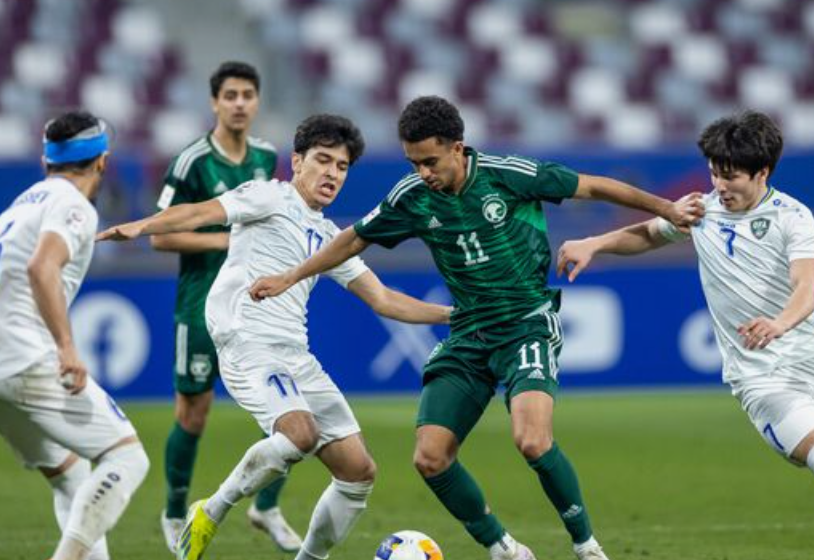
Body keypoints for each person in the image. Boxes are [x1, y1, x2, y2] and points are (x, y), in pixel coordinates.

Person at [249, 96, 705, 560]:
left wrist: (665, 208)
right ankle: (503, 548)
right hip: (469, 333)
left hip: (526, 323)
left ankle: (587, 547)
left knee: (531, 440)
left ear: (457, 148)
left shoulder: (509, 175)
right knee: (429, 457)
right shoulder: (412, 196)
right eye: (414, 162)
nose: (423, 172)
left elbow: (594, 186)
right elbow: (351, 239)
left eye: (430, 161)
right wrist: (292, 275)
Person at [98, 114, 452, 560]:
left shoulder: (329, 236)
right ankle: (211, 509)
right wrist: (141, 226)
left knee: (358, 472)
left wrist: (453, 313)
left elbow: (383, 299)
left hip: (294, 354)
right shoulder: (269, 195)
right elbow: (203, 212)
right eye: (323, 161)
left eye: (341, 167)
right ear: (297, 162)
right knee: (299, 433)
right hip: (246, 341)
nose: (331, 174)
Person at [556, 110, 814, 560]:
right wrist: (594, 243)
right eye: (715, 172)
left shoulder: (794, 219)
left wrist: (778, 323)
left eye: (731, 176)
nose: (720, 185)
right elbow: (648, 235)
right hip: (760, 377)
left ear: (763, 172)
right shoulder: (701, 210)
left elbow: (807, 288)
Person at [151, 60, 299, 553]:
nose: (239, 103)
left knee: (289, 409)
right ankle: (175, 513)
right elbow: (158, 236)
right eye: (230, 95)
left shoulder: (265, 155)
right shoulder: (193, 161)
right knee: (193, 413)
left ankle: (267, 506)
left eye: (247, 95)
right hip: (200, 304)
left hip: (257, 306)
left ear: (257, 102)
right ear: (214, 102)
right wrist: (222, 242)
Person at [0, 111, 150, 560]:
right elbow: (41, 267)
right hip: (25, 357)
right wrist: (67, 348)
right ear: (102, 161)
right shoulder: (73, 205)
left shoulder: (22, 203)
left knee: (70, 472)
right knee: (128, 458)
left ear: (47, 161)